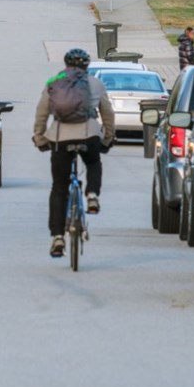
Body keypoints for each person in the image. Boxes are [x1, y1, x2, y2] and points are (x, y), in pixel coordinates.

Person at [32, 48, 115, 258]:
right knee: (94, 163)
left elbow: (41, 112)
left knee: (59, 188)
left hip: (60, 138)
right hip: (89, 135)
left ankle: (58, 237)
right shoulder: (95, 84)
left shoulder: (54, 82)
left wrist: (39, 137)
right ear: (86, 65)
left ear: (66, 64)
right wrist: (108, 138)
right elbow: (108, 114)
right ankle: (92, 195)